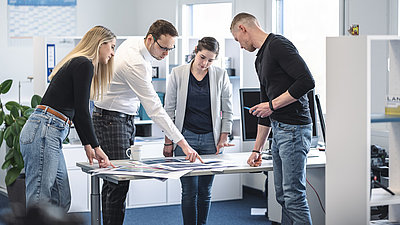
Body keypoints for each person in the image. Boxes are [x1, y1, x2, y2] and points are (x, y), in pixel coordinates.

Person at [93, 19, 203, 225]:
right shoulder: (135, 63)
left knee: (112, 182)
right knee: (119, 182)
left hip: (116, 116)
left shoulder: (137, 42)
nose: (166, 54)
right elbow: (155, 109)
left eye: (171, 49)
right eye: (163, 47)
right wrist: (183, 144)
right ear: (150, 39)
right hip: (111, 119)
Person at [230, 13, 315, 225]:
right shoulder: (260, 59)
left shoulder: (278, 45)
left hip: (294, 129)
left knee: (294, 197)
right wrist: (256, 149)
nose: (239, 46)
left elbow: (307, 81)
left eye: (237, 40)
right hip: (279, 131)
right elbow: (265, 110)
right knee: (282, 197)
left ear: (243, 29)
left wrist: (272, 105)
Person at [20, 26, 115, 212]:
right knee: (40, 201)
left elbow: (77, 111)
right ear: (100, 44)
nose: (113, 53)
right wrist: (96, 146)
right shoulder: (84, 63)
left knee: (61, 199)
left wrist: (87, 145)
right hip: (44, 130)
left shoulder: (81, 64)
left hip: (50, 132)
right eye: (111, 46)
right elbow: (81, 110)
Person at [163, 37, 234, 225]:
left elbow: (227, 109)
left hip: (211, 139)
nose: (205, 64)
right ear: (196, 50)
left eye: (210, 60)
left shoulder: (220, 75)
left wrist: (223, 137)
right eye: (202, 57)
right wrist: (168, 142)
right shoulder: (177, 73)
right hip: (185, 138)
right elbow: (168, 110)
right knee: (189, 190)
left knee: (205, 190)